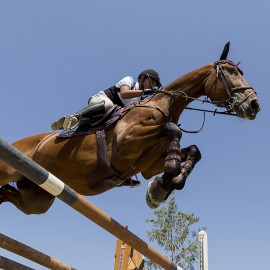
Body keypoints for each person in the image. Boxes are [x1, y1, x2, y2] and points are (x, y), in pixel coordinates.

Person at [51, 69, 162, 131]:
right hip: (101, 100)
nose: (151, 86)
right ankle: (75, 117)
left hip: (109, 115)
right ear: (143, 78)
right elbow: (124, 94)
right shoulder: (130, 80)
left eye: (154, 85)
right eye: (151, 83)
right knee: (109, 104)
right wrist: (144, 92)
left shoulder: (139, 99)